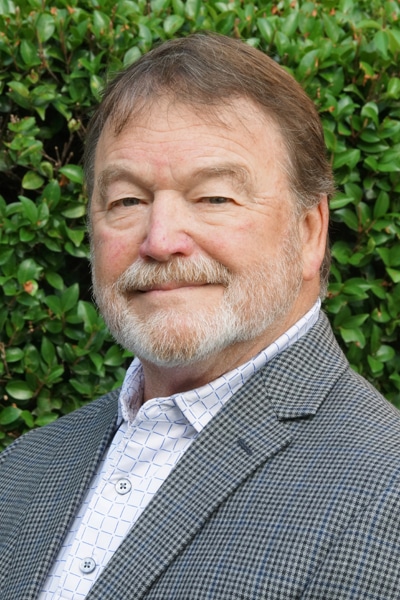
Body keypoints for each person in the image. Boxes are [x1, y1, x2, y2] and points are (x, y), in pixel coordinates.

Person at [1, 32, 400, 600]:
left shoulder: (385, 497)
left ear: (310, 231)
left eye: (215, 197)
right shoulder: (25, 467)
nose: (160, 240)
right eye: (127, 202)